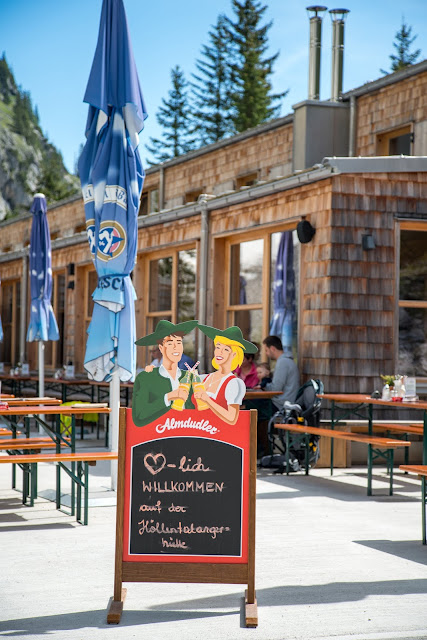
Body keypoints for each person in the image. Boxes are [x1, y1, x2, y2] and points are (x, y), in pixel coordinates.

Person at [132, 320, 198, 427]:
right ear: (161, 348)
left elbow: (198, 413)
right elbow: (139, 416)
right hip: (157, 437)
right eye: (170, 343)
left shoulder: (190, 378)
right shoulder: (145, 378)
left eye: (179, 342)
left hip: (186, 437)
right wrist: (167, 397)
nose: (176, 347)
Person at [195, 325, 258, 425]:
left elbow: (232, 418)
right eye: (218, 347)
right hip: (196, 431)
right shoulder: (204, 378)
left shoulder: (233, 383)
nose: (219, 352)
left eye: (226, 349)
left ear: (234, 355)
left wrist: (207, 400)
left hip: (219, 435)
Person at [262, 335, 299, 412]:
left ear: (272, 349)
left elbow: (275, 389)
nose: (266, 354)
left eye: (266, 350)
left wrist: (264, 384)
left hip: (280, 404)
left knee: (249, 406)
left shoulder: (283, 362)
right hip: (284, 402)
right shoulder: (286, 361)